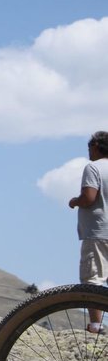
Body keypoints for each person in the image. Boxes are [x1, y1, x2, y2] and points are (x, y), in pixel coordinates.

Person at [68, 131, 108, 334]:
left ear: (95, 147)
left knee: (93, 279)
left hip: (98, 231)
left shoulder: (93, 167)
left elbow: (89, 197)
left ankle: (96, 326)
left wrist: (75, 201)